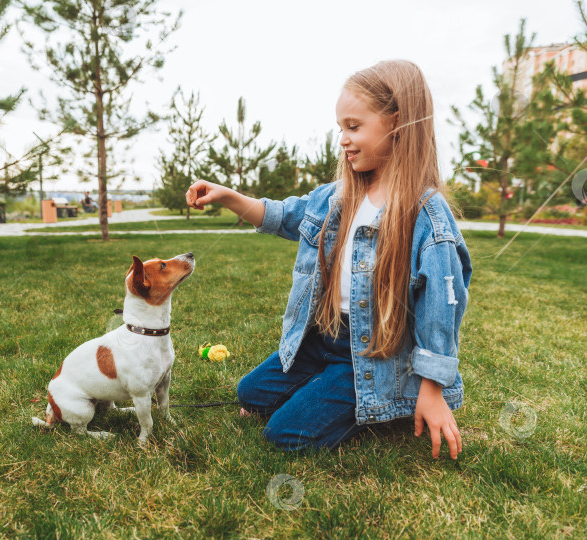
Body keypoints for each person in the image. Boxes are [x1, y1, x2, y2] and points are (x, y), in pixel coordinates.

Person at [185, 59, 472, 460]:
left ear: (396, 122)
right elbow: (286, 215)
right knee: (250, 394)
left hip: (372, 356)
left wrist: (432, 390)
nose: (343, 139)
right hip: (322, 338)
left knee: (284, 434)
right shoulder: (338, 196)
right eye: (341, 128)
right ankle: (328, 384)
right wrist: (229, 196)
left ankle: (382, 400)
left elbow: (441, 308)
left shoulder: (426, 214)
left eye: (354, 127)